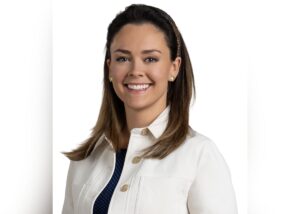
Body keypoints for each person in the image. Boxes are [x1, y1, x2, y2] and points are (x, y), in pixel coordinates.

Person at [62, 4, 238, 214]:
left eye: (150, 59)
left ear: (174, 67)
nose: (136, 70)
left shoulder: (198, 155)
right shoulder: (86, 160)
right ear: (110, 68)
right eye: (123, 58)